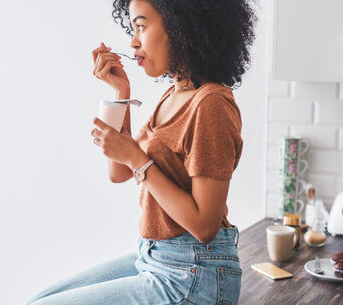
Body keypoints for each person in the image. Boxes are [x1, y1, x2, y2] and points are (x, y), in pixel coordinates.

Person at [24, 0, 256, 304]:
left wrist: (136, 157)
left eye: (142, 26)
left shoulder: (210, 105)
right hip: (158, 257)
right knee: (42, 297)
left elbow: (204, 226)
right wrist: (121, 93)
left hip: (194, 275)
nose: (133, 40)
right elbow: (119, 171)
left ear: (179, 26)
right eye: (132, 28)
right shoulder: (174, 93)